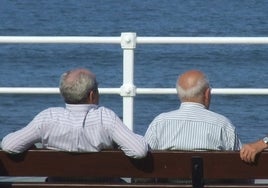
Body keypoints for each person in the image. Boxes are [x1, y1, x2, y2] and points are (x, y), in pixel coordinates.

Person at [1, 68, 148, 159]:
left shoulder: (47, 118)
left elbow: (9, 145)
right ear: (92, 95)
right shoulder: (105, 118)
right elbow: (139, 150)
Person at [144, 69, 242, 151]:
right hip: (209, 174)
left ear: (179, 94)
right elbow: (239, 164)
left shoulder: (159, 123)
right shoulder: (223, 125)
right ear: (207, 94)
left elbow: (144, 158)